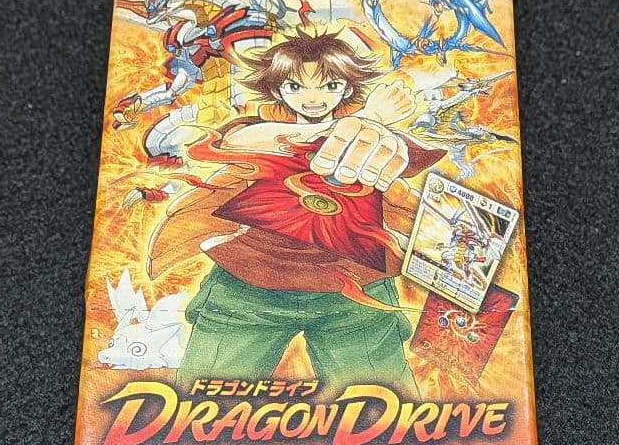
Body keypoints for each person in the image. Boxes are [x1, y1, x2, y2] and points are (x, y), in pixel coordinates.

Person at [147, 28, 443, 396]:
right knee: (200, 404)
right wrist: (368, 117)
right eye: (296, 86)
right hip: (247, 289)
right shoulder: (253, 133)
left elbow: (405, 160)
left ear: (347, 89)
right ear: (277, 90)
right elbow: (250, 141)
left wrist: (380, 136)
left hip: (354, 296)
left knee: (385, 408)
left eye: (330, 85)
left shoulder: (374, 138)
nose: (313, 98)